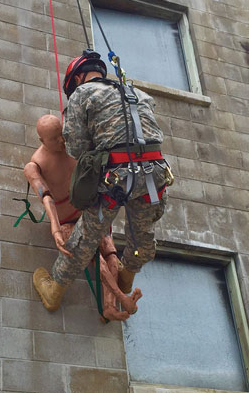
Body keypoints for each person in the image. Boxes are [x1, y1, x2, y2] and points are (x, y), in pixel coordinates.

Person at [33, 50, 168, 312]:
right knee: (142, 237)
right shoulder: (137, 93)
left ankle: (54, 289)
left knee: (85, 238)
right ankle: (126, 277)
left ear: (77, 79)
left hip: (117, 179)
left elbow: (76, 148)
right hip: (155, 176)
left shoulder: (82, 95)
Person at [25, 114, 141, 321]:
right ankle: (120, 298)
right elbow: (46, 197)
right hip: (66, 220)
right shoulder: (35, 165)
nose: (61, 141)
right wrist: (55, 228)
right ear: (42, 140)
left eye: (62, 135)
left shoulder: (76, 147)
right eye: (54, 138)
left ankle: (110, 306)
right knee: (92, 255)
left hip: (90, 212)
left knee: (110, 252)